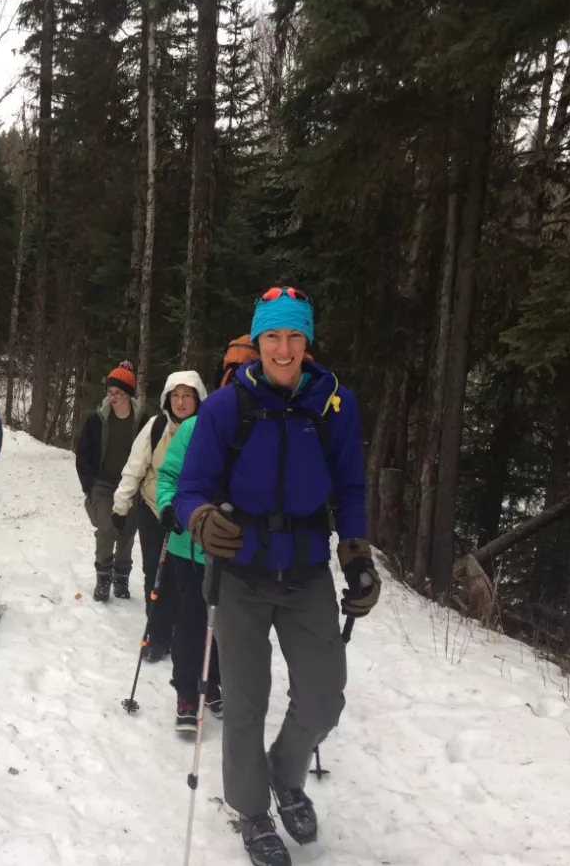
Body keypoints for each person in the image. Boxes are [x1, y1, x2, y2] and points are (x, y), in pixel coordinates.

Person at [173, 288, 381, 866]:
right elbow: (189, 488)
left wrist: (357, 555)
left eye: (293, 337)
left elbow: (350, 489)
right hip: (240, 572)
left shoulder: (334, 403)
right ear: (258, 341)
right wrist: (200, 518)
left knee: (323, 697)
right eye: (272, 337)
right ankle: (252, 809)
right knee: (244, 700)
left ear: (306, 341)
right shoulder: (223, 406)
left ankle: (285, 777)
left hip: (308, 569)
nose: (283, 348)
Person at [110, 371, 207, 661]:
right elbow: (135, 466)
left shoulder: (208, 428)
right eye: (175, 396)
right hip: (153, 511)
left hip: (192, 516)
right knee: (156, 574)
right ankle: (157, 634)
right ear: (167, 398)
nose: (180, 402)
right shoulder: (156, 426)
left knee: (187, 577)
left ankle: (184, 633)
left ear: (197, 398)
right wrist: (120, 504)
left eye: (187, 396)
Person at [155, 409, 222, 734]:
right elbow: (167, 475)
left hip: (243, 548)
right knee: (192, 620)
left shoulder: (266, 427)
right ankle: (187, 695)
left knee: (231, 622)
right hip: (190, 543)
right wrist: (168, 505)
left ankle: (214, 683)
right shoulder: (194, 427)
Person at [75, 360, 148, 602]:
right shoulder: (96, 420)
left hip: (132, 486)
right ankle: (103, 576)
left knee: (127, 531)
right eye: (110, 392)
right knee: (107, 529)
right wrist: (89, 486)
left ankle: (121, 575)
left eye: (117, 393)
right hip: (103, 484)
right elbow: (83, 454)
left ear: (128, 395)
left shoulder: (143, 422)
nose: (112, 398)